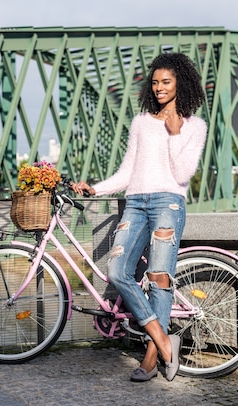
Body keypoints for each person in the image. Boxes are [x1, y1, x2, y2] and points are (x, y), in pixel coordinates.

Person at [72, 52, 207, 382]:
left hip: (168, 203)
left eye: (167, 82)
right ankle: (163, 340)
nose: (159, 88)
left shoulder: (194, 127)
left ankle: (150, 356)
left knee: (160, 278)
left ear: (181, 84)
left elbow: (183, 173)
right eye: (156, 82)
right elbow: (127, 172)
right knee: (118, 270)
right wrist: (96, 189)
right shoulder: (141, 122)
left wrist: (175, 134)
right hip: (136, 204)